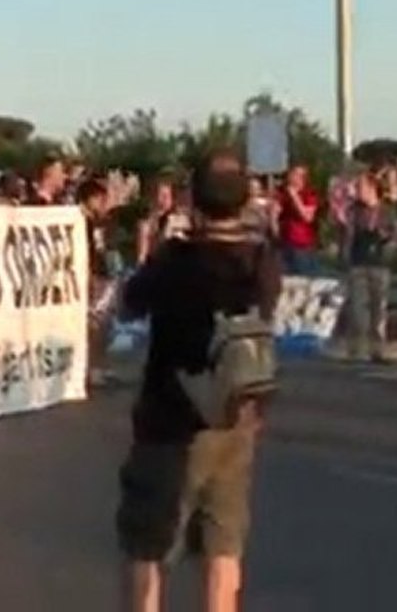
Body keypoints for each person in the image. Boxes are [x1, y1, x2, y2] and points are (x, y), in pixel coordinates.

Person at [117, 149, 282, 612]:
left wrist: (162, 242)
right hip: (236, 417)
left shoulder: (177, 259)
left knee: (148, 544)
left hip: (168, 417)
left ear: (194, 198)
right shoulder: (261, 259)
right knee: (223, 545)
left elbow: (131, 302)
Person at [344, 172, 397, 363]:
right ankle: (356, 350)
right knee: (358, 309)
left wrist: (386, 235)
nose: (358, 191)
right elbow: (346, 227)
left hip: (379, 262)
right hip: (358, 262)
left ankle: (377, 350)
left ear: (372, 188)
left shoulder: (386, 210)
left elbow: (394, 233)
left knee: (378, 311)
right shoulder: (355, 211)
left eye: (361, 187)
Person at [78, 177, 117, 390]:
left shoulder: (98, 222)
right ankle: (91, 367)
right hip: (90, 275)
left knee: (103, 322)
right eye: (101, 199)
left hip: (101, 273)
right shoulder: (80, 221)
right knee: (94, 323)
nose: (104, 204)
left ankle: (98, 365)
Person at [136, 177, 191, 265]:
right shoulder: (146, 224)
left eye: (165, 196)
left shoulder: (181, 220)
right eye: (158, 195)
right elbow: (142, 255)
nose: (161, 200)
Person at [277, 164, 319, 275]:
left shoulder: (309, 194)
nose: (293, 177)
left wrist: (294, 196)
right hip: (284, 242)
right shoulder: (282, 193)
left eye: (298, 175)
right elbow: (276, 215)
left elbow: (307, 217)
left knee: (302, 279)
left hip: (302, 245)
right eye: (292, 174)